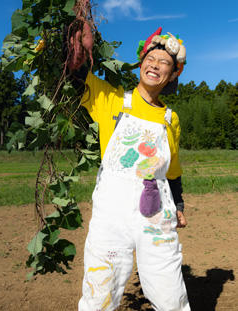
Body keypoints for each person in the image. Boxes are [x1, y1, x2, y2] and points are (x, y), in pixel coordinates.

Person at [77, 27, 191, 311]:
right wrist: (78, 19)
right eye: (150, 59)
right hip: (111, 214)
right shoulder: (111, 98)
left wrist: (177, 204)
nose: (155, 65)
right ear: (141, 63)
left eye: (164, 62)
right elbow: (74, 71)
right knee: (99, 290)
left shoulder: (170, 119)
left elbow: (172, 171)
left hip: (156, 214)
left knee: (169, 291)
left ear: (174, 74)